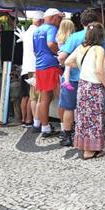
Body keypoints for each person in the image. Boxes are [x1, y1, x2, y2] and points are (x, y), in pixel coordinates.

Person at [58, 10, 105, 147]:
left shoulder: (74, 37)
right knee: (88, 111)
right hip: (90, 80)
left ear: (81, 22)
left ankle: (68, 136)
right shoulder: (100, 38)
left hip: (72, 80)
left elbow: (62, 57)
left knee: (69, 108)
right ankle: (91, 139)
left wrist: (70, 67)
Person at [65, 23, 105, 160]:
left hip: (82, 86)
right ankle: (91, 150)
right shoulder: (99, 49)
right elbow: (99, 71)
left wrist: (81, 66)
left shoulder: (81, 47)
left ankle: (85, 146)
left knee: (83, 117)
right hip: (94, 87)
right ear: (101, 36)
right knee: (95, 118)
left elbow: (67, 61)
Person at [33, 8, 64, 137]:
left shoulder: (37, 30)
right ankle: (65, 127)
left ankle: (45, 128)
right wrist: (60, 53)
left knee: (44, 98)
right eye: (58, 18)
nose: (59, 21)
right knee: (62, 97)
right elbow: (51, 44)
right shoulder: (51, 29)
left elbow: (35, 51)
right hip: (51, 66)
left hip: (40, 66)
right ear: (52, 18)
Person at [19, 11, 44, 127]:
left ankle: (26, 119)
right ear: (40, 21)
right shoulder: (38, 32)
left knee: (28, 96)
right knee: (34, 96)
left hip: (26, 66)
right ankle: (33, 120)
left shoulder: (28, 32)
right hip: (35, 66)